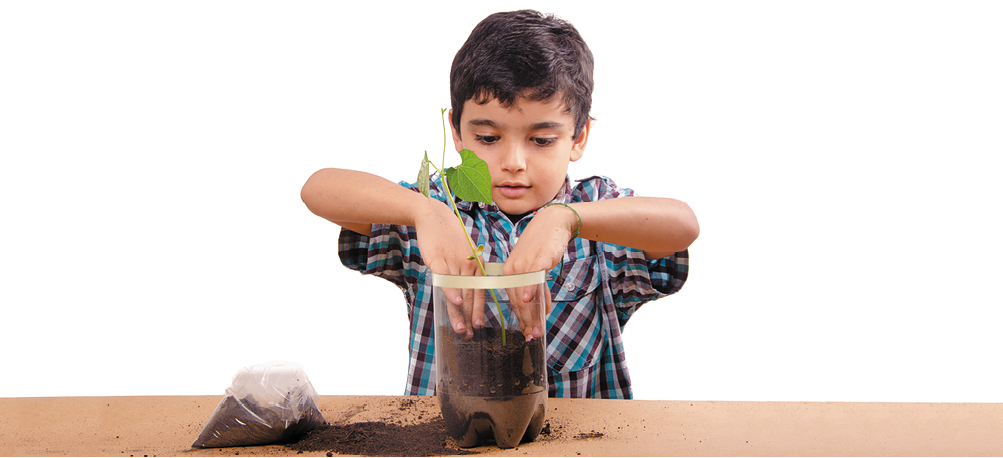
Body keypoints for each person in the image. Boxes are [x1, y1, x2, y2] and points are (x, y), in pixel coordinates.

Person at [301, 10, 699, 399]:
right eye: (489, 137)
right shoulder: (438, 208)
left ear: (578, 138)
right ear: (456, 130)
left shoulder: (598, 214)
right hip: (444, 440)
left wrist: (566, 219)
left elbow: (682, 224)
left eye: (541, 140)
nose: (514, 162)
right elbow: (317, 189)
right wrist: (424, 212)